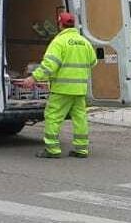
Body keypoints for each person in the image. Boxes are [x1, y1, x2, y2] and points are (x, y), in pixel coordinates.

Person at [30, 11, 96, 158]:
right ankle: (81, 149)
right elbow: (93, 61)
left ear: (60, 24)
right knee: (80, 118)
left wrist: (34, 78)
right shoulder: (84, 42)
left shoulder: (59, 42)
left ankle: (52, 149)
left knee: (52, 116)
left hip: (62, 89)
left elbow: (49, 65)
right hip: (79, 89)